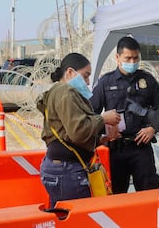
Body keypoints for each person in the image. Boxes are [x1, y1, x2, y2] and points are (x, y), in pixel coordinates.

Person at [37, 52, 120, 207]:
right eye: (86, 75)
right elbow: (79, 131)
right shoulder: (65, 92)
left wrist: (102, 139)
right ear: (70, 72)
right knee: (78, 218)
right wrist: (103, 118)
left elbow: (69, 135)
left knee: (64, 217)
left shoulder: (57, 92)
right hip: (67, 170)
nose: (88, 82)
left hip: (59, 167)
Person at [90, 36, 159, 193]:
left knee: (148, 194)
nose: (132, 62)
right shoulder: (106, 82)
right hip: (116, 150)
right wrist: (102, 137)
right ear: (117, 58)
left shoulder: (148, 80)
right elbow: (91, 115)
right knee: (117, 197)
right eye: (128, 58)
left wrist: (152, 128)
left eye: (135, 58)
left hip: (142, 147)